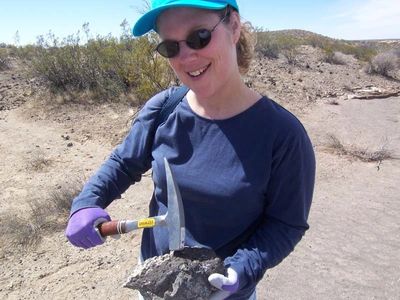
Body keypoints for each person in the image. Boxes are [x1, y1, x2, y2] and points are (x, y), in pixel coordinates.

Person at [65, 0, 316, 299]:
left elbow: (286, 224)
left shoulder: (283, 135)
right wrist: (86, 202)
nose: (185, 56)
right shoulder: (164, 108)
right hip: (155, 284)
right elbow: (123, 163)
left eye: (199, 36)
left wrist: (241, 270)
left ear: (233, 27)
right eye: (170, 47)